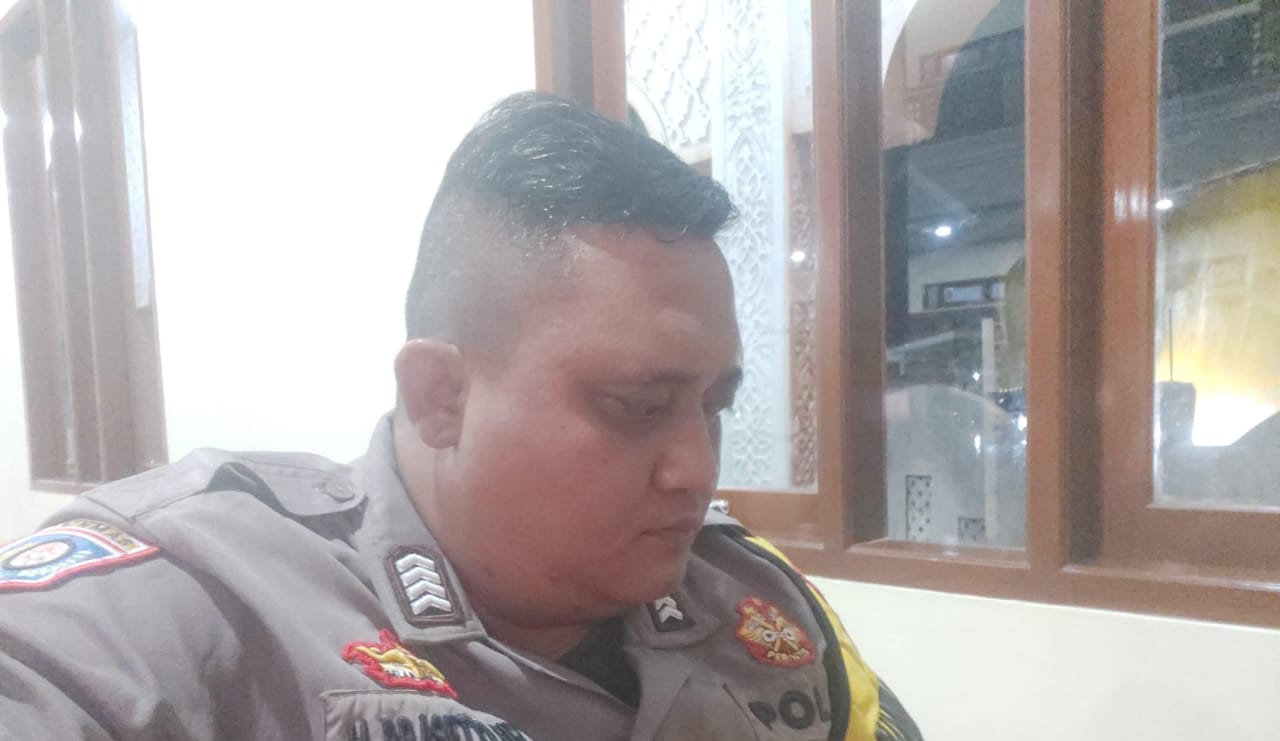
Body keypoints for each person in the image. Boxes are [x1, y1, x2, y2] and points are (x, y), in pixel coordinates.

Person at [0, 91, 922, 741]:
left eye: (715, 405)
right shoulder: (203, 595)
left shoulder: (755, 602)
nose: (695, 467)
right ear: (441, 395)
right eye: (637, 406)